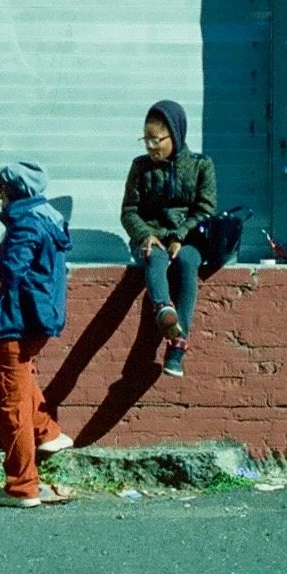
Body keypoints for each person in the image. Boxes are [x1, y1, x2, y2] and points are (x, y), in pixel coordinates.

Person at [0, 160, 74, 508]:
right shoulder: (47, 218)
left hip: (18, 320)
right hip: (38, 318)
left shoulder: (25, 222)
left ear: (12, 192)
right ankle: (47, 432)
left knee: (10, 402)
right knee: (22, 380)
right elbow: (35, 263)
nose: (0, 201)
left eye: (1, 195)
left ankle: (22, 487)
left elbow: (13, 270)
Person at [120, 100, 217, 378]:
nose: (150, 147)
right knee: (155, 257)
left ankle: (177, 349)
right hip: (152, 237)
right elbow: (129, 211)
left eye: (156, 140)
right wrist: (145, 234)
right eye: (146, 140)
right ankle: (164, 311)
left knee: (187, 262)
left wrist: (179, 235)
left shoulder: (201, 165)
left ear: (174, 134)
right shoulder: (140, 167)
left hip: (189, 238)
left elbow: (206, 209)